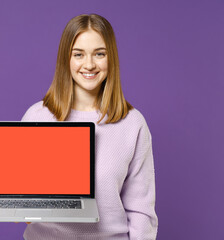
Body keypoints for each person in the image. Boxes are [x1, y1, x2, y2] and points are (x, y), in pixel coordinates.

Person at [21, 14, 158, 240]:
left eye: (99, 54)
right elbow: (23, 201)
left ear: (110, 58)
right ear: (66, 59)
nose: (89, 64)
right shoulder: (37, 116)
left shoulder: (133, 123)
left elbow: (142, 212)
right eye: (78, 54)